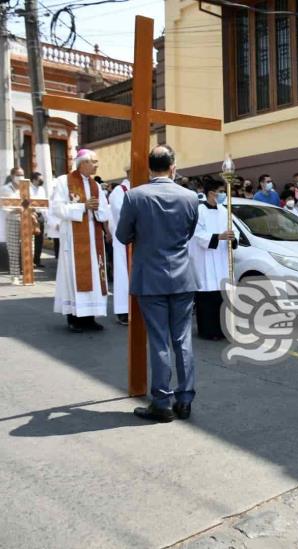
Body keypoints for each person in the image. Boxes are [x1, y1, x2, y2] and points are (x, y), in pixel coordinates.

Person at [115, 145, 199, 423]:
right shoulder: (189, 197)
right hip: (182, 276)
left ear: (150, 168)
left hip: (150, 277)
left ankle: (161, 402)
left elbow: (122, 235)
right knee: (182, 339)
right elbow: (188, 233)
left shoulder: (135, 196)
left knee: (160, 339)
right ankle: (185, 399)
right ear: (173, 167)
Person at [51, 150, 110, 332]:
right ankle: (74, 319)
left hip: (94, 239)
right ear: (83, 163)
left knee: (94, 277)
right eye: (94, 162)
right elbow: (57, 208)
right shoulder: (63, 181)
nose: (97, 165)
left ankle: (90, 318)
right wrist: (83, 206)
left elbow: (105, 211)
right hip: (74, 239)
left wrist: (98, 210)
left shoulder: (95, 185)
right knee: (74, 277)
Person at [190, 178, 238, 340]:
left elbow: (234, 230)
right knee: (207, 296)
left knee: (222, 295)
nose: (223, 194)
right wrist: (218, 236)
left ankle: (223, 329)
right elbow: (197, 235)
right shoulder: (199, 211)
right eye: (221, 191)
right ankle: (207, 331)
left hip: (222, 258)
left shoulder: (224, 211)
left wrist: (232, 237)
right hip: (206, 259)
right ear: (212, 193)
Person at [107, 165, 131, 325]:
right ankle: (123, 310)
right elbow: (122, 215)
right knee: (124, 275)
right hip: (125, 241)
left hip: (140, 241)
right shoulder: (119, 191)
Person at [1, 167, 24, 280]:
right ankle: (15, 276)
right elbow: (5, 206)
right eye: (18, 174)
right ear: (12, 176)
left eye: (22, 174)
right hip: (12, 219)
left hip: (26, 220)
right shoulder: (5, 189)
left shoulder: (25, 188)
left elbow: (32, 203)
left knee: (29, 249)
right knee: (14, 249)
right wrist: (17, 209)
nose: (20, 177)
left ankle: (27, 275)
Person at [30, 172, 47, 268]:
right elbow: (25, 202)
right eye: (39, 179)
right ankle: (30, 261)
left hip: (40, 215)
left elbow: (44, 203)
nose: (41, 181)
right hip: (31, 214)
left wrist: (45, 217)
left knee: (39, 240)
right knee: (31, 240)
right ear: (34, 179)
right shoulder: (28, 188)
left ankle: (37, 260)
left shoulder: (42, 189)